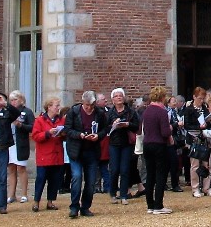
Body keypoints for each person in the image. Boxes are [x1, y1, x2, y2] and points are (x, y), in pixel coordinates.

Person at [64, 90, 108, 218]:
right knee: (77, 176)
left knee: (91, 181)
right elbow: (67, 129)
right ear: (82, 102)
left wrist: (98, 136)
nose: (89, 108)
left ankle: (85, 207)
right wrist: (80, 135)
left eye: (91, 106)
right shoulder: (74, 111)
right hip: (76, 150)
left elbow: (105, 129)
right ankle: (74, 206)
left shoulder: (99, 113)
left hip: (92, 151)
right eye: (87, 105)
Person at [141, 85, 174, 214]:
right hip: (159, 145)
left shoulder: (147, 111)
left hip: (147, 144)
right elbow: (165, 132)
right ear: (162, 97)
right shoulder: (162, 111)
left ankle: (150, 204)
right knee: (160, 175)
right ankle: (158, 205)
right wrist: (170, 128)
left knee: (150, 175)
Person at [30, 97, 66, 212]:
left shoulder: (60, 120)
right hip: (44, 155)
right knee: (41, 179)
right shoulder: (39, 120)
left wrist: (62, 134)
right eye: (56, 106)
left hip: (56, 154)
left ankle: (50, 201)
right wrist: (48, 133)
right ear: (49, 107)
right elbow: (35, 136)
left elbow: (65, 134)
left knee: (54, 179)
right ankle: (36, 201)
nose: (58, 108)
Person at [107, 87, 139, 205]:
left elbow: (136, 125)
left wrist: (128, 124)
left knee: (125, 169)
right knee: (114, 169)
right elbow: (104, 128)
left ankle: (124, 194)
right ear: (113, 100)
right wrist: (113, 125)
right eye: (116, 96)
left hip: (127, 143)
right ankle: (113, 192)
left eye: (120, 95)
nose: (119, 98)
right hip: (114, 143)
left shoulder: (130, 111)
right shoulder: (109, 113)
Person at [6, 90, 34, 205]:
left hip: (20, 144)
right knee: (11, 169)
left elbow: (32, 127)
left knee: (21, 168)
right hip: (9, 143)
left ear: (21, 100)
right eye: (11, 100)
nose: (13, 102)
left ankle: (24, 194)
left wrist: (20, 125)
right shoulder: (7, 112)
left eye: (15, 99)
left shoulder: (26, 112)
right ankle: (11, 194)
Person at [182, 87, 211, 197]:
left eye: (203, 99)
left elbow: (208, 122)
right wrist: (199, 126)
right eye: (199, 98)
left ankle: (206, 187)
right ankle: (195, 188)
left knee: (206, 164)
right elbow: (186, 125)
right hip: (193, 138)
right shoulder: (189, 109)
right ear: (194, 97)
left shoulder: (204, 108)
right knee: (194, 165)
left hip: (204, 138)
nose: (201, 101)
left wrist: (207, 123)